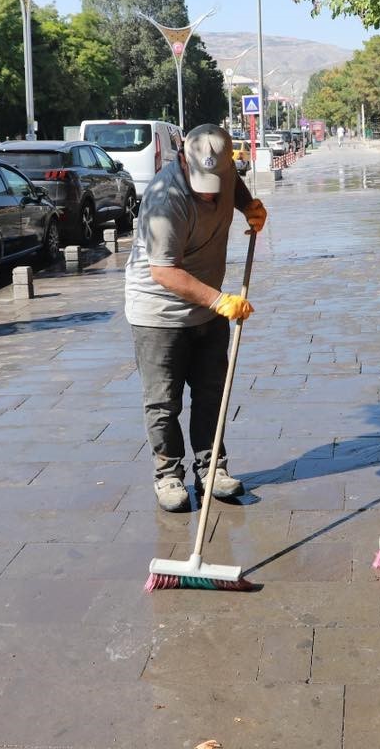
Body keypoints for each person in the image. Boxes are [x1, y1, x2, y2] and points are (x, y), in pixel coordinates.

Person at [125, 124, 268, 512]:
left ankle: (212, 469)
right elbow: (164, 272)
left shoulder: (224, 171)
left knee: (211, 393)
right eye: (201, 180)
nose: (209, 191)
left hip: (209, 304)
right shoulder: (164, 198)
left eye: (216, 180)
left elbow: (234, 186)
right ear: (183, 161)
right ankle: (168, 474)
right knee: (163, 401)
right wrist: (220, 300)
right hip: (158, 311)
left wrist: (248, 205)